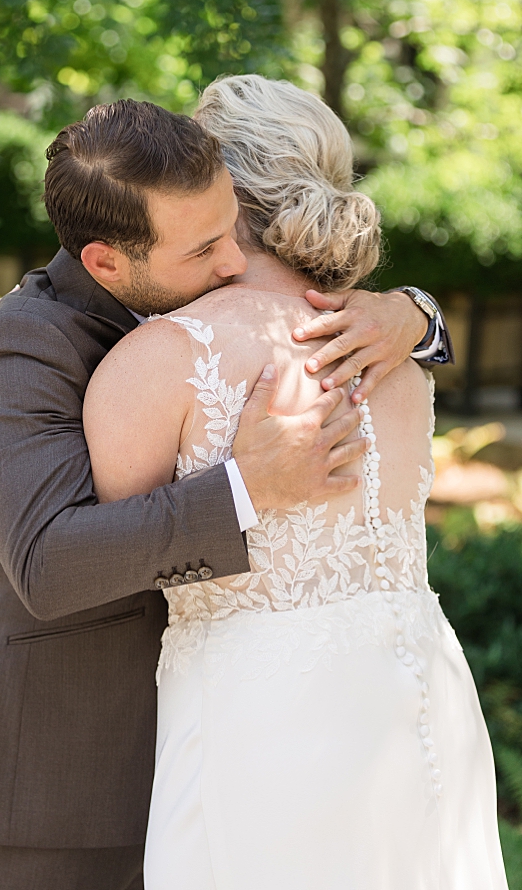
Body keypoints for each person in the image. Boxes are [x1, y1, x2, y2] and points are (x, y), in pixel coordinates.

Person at [0, 99, 452, 889]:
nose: (234, 263)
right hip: (59, 778)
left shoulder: (230, 303)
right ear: (107, 262)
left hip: (226, 750)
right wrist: (248, 486)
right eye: (206, 247)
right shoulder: (31, 335)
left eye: (230, 229)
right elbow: (46, 563)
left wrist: (414, 315)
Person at [83, 75, 503, 886]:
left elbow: (106, 566)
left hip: (259, 715)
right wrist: (414, 309)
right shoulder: (397, 352)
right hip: (424, 697)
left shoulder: (160, 362)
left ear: (219, 191)